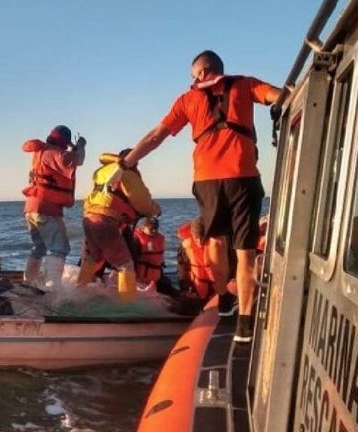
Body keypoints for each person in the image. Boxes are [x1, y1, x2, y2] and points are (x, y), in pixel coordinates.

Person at [119, 50, 281, 342]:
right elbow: (279, 96)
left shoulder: (186, 99)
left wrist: (127, 162)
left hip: (207, 180)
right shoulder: (245, 84)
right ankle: (245, 325)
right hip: (243, 177)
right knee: (245, 251)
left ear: (201, 73)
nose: (193, 81)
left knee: (216, 241)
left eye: (193, 76)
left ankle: (223, 298)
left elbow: (156, 135)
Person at [82, 150, 161, 299]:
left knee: (92, 259)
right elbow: (142, 201)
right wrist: (156, 209)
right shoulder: (128, 173)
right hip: (106, 220)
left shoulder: (103, 171)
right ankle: (128, 305)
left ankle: (78, 293)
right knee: (125, 265)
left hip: (89, 218)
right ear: (133, 160)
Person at [22, 125, 86, 290]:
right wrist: (80, 145)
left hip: (32, 208)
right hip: (46, 209)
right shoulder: (53, 153)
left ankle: (29, 283)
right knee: (59, 248)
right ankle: (52, 289)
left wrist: (73, 148)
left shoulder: (42, 152)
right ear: (64, 142)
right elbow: (76, 160)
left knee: (39, 247)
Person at [176, 218, 213, 301]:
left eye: (203, 238)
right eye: (196, 238)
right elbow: (182, 268)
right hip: (196, 288)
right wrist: (185, 288)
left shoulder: (218, 244)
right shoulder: (187, 246)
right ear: (192, 234)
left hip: (217, 288)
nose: (200, 242)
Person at [132, 217, 166, 285]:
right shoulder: (136, 240)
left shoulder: (159, 239)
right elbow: (133, 259)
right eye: (151, 228)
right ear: (142, 228)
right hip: (142, 276)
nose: (154, 230)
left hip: (156, 274)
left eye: (155, 228)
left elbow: (159, 259)